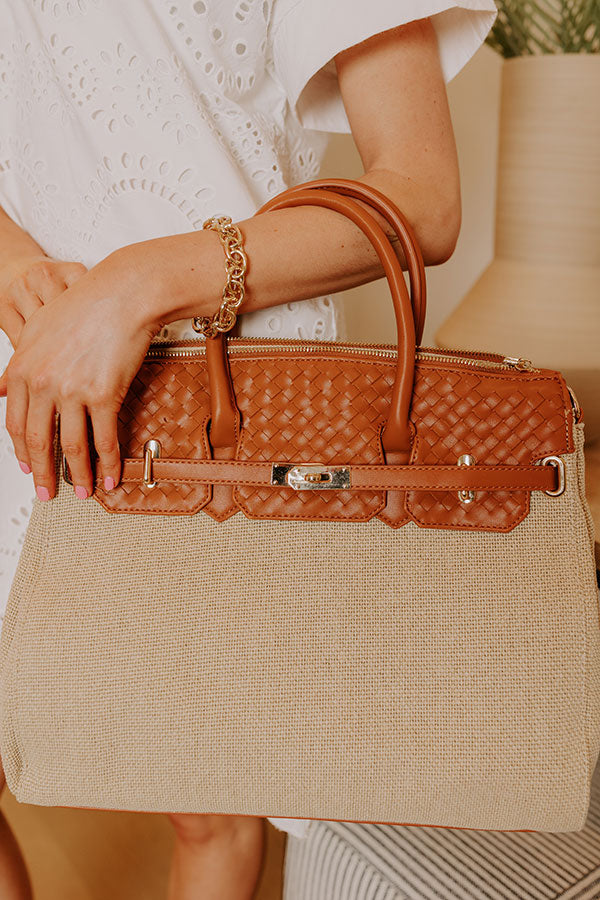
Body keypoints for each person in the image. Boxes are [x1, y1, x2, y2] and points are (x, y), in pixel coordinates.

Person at [0, 2, 496, 898]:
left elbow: (424, 200)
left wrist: (136, 284)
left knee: (209, 802)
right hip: (23, 351)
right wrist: (13, 269)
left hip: (227, 384)